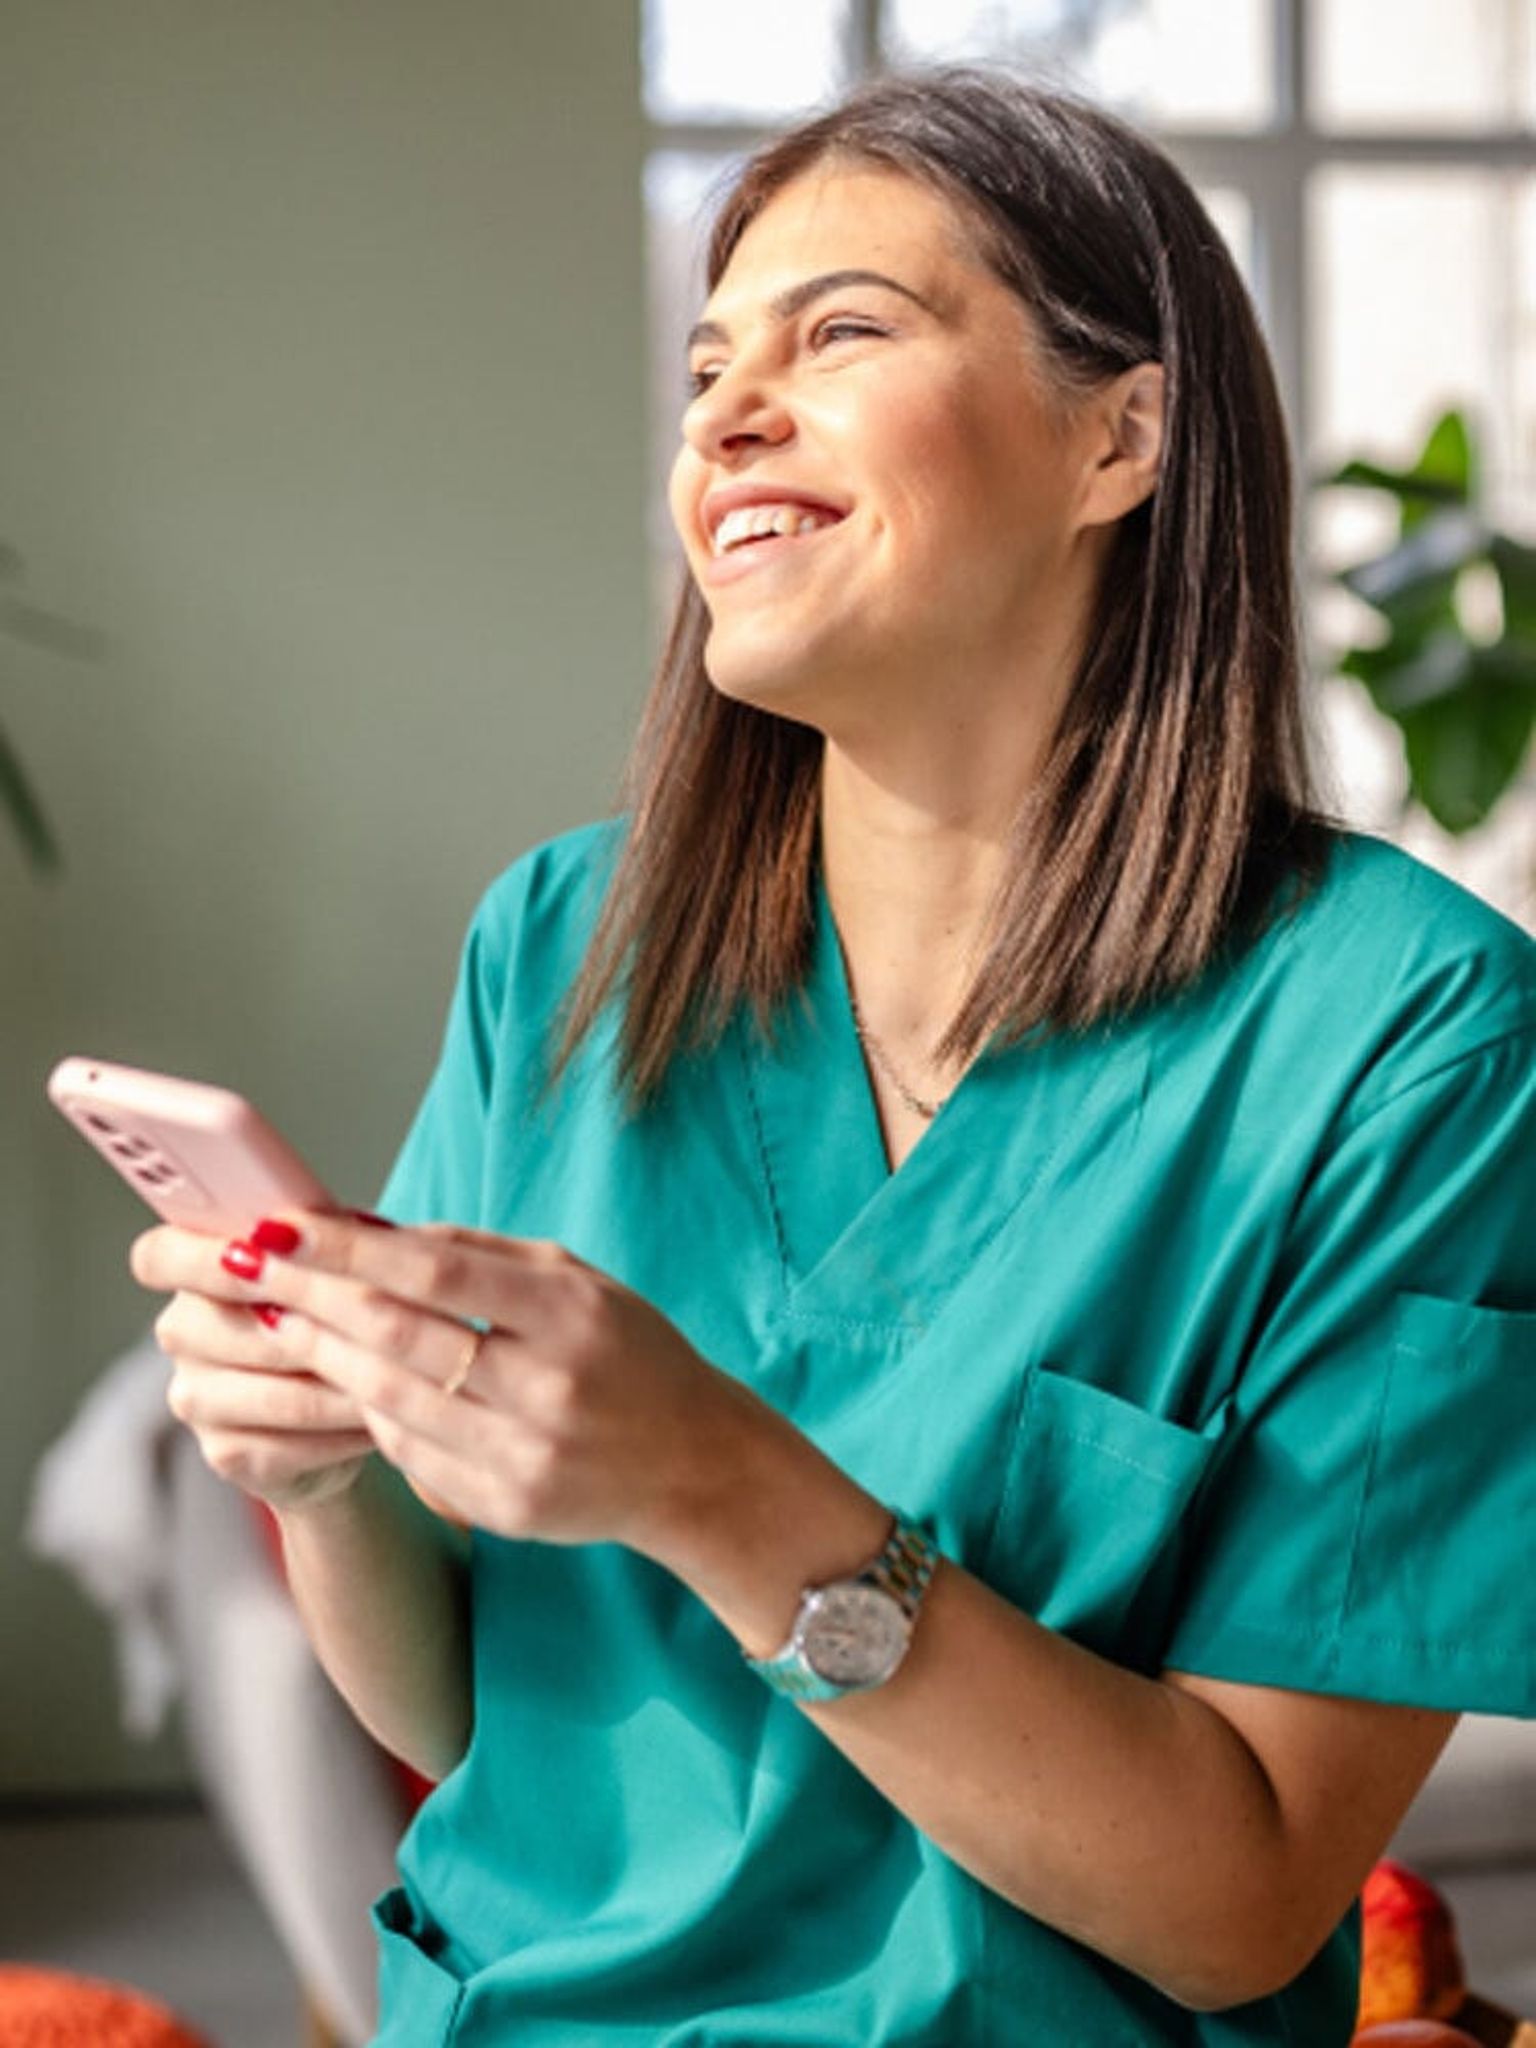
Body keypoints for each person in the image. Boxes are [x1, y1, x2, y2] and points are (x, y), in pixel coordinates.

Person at [129, 68, 1535, 2048]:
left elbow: (1239, 1901)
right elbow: (462, 1710)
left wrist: (717, 1480)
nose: (724, 414)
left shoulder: (1409, 1037)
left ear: (1120, 436)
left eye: (842, 332)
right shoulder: (562, 947)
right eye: (708, 366)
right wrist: (333, 1471)